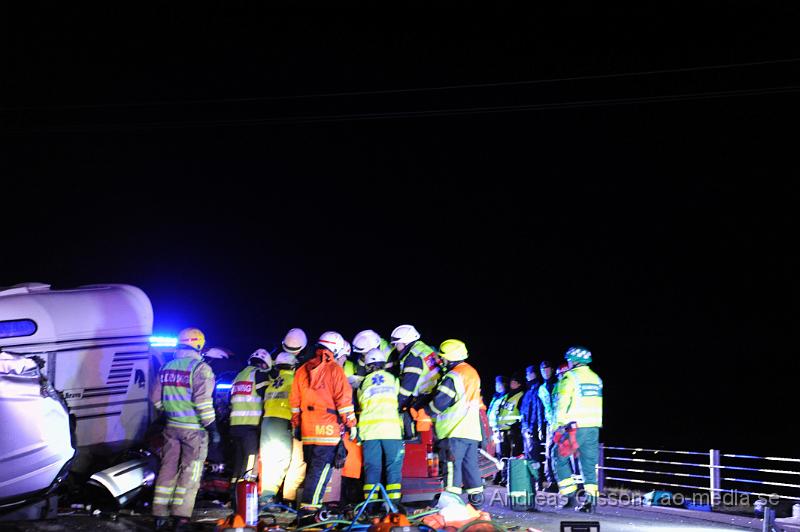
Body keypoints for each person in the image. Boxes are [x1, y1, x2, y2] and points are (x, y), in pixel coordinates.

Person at [151, 327, 221, 531]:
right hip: (194, 431)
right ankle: (180, 518)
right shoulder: (201, 369)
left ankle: (159, 515)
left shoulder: (166, 367)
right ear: (198, 345)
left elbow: (155, 399)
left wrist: (170, 412)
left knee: (167, 469)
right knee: (190, 472)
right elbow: (203, 404)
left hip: (171, 427)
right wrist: (213, 428)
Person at [289, 331, 357, 515]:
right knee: (321, 472)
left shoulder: (302, 369)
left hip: (308, 430)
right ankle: (310, 511)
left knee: (312, 470)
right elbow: (343, 400)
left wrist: (296, 425)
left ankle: (310, 508)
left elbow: (294, 402)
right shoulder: (335, 369)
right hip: (328, 430)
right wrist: (351, 424)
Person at [422, 339, 484, 509]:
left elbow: (439, 404)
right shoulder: (472, 372)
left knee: (452, 468)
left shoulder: (453, 376)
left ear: (449, 358)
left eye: (442, 358)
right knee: (470, 467)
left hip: (454, 432)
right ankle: (477, 502)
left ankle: (450, 505)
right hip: (471, 431)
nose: (441, 361)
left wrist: (425, 408)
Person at [553, 347, 603, 513]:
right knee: (588, 464)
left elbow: (562, 403)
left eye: (569, 359)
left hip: (574, 427)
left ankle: (570, 497)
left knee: (558, 457)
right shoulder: (596, 378)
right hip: (593, 427)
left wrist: (559, 425)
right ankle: (591, 501)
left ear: (574, 360)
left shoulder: (570, 377)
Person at [259, 351, 306, 509]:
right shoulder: (294, 381)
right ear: (293, 366)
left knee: (268, 460)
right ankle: (270, 498)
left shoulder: (273, 382)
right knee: (282, 460)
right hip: (283, 422)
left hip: (267, 423)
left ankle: (266, 496)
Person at [357, 348, 404, 504]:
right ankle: (393, 506)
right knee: (393, 467)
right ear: (383, 364)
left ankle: (370, 506)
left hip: (369, 432)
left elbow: (359, 402)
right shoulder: (393, 379)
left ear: (368, 366)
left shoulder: (363, 382)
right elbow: (400, 398)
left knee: (372, 468)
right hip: (391, 431)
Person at [229, 348, 272, 507]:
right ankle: (244, 496)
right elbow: (267, 397)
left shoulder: (239, 376)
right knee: (250, 461)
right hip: (250, 426)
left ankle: (233, 493)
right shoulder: (259, 374)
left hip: (235, 425)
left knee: (238, 461)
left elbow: (230, 400)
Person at [390, 324, 442, 411]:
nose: (395, 347)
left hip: (425, 397)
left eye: (396, 344)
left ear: (405, 342)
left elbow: (407, 387)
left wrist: (397, 405)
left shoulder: (413, 357)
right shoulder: (422, 348)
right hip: (434, 392)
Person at [496, 373, 524, 485]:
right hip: (503, 430)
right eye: (511, 381)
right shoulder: (506, 396)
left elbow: (521, 413)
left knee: (514, 455)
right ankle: (504, 477)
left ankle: (512, 478)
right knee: (504, 455)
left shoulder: (521, 395)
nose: (512, 383)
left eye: (514, 382)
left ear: (519, 384)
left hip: (513, 430)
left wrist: (516, 425)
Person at [519, 364, 543, 488]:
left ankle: (537, 480)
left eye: (528, 373)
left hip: (530, 429)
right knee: (529, 456)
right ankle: (531, 480)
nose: (526, 376)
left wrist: (532, 428)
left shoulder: (537, 389)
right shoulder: (529, 390)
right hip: (525, 428)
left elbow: (536, 411)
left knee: (534, 456)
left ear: (533, 374)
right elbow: (523, 411)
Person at [537, 360, 557, 490]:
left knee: (563, 454)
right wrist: (540, 426)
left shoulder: (559, 384)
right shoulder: (541, 388)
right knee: (549, 453)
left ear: (552, 370)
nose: (545, 372)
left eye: (547, 369)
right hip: (550, 425)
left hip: (563, 424)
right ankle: (552, 482)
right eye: (543, 370)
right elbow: (541, 409)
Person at [487, 376, 507, 484]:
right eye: (496, 384)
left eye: (500, 384)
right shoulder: (495, 397)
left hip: (499, 429)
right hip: (492, 429)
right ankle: (495, 475)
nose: (497, 387)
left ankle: (502, 476)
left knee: (501, 454)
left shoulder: (505, 397)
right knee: (493, 454)